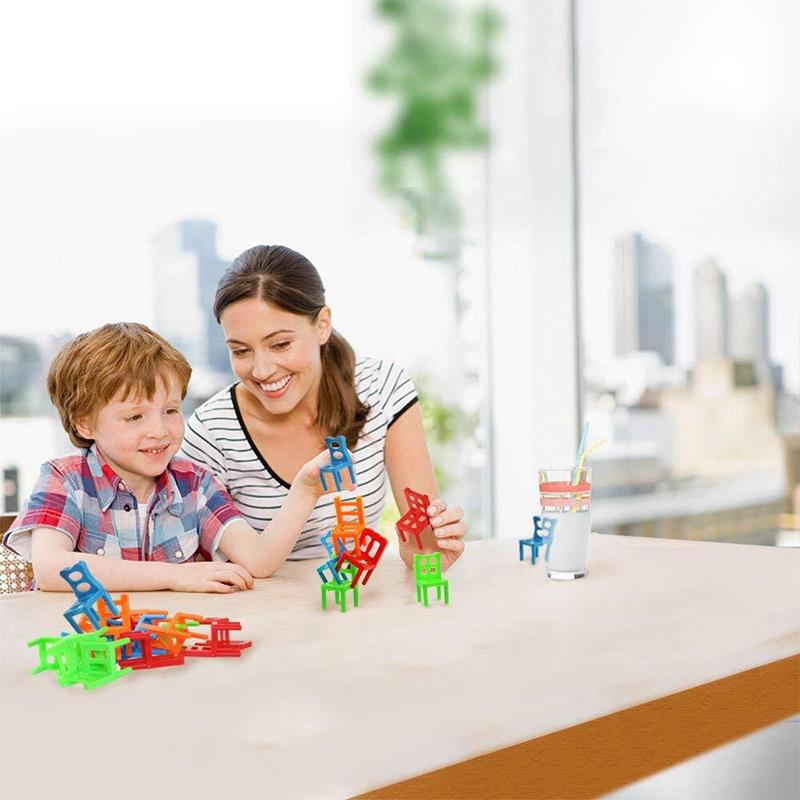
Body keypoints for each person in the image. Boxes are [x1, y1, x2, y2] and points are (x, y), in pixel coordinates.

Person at [180, 244, 466, 573]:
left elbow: (420, 548)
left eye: (280, 344)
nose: (261, 370)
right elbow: (206, 567)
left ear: (322, 325)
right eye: (241, 351)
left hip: (354, 607)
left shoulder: (384, 388)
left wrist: (429, 548)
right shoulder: (211, 433)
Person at [4, 322, 316, 592]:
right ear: (85, 422)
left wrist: (305, 489)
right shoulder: (64, 478)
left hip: (168, 643)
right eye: (134, 417)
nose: (159, 430)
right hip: (87, 648)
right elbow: (51, 568)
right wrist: (175, 576)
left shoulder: (196, 484)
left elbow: (258, 560)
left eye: (170, 411)